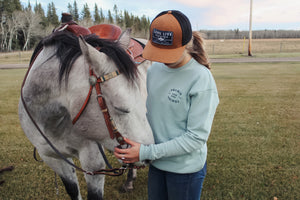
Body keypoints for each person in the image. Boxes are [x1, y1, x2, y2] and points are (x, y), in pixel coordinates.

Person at [114, 10, 219, 200]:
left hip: (185, 170)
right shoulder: (154, 71)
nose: (162, 58)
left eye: (168, 53)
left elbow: (196, 138)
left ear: (186, 44)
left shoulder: (201, 79)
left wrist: (146, 151)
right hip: (157, 165)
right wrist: (134, 145)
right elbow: (151, 115)